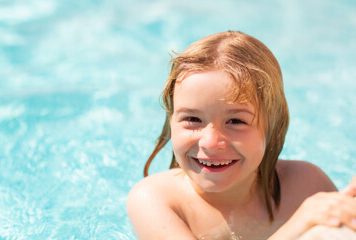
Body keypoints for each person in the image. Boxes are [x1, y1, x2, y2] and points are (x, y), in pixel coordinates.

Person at [127, 31, 356, 240]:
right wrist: (297, 226)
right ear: (171, 121)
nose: (210, 143)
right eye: (193, 119)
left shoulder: (305, 185)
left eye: (236, 121)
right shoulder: (155, 200)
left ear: (272, 128)